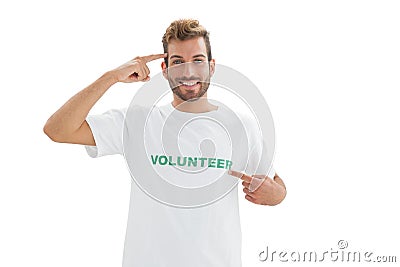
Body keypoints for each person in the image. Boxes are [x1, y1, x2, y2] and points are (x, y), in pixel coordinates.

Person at [44, 19, 286, 267]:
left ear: (212, 67)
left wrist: (273, 194)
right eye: (178, 61)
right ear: (165, 68)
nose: (188, 71)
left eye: (198, 60)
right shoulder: (137, 121)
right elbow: (57, 129)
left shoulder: (241, 126)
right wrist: (111, 77)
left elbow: (278, 188)